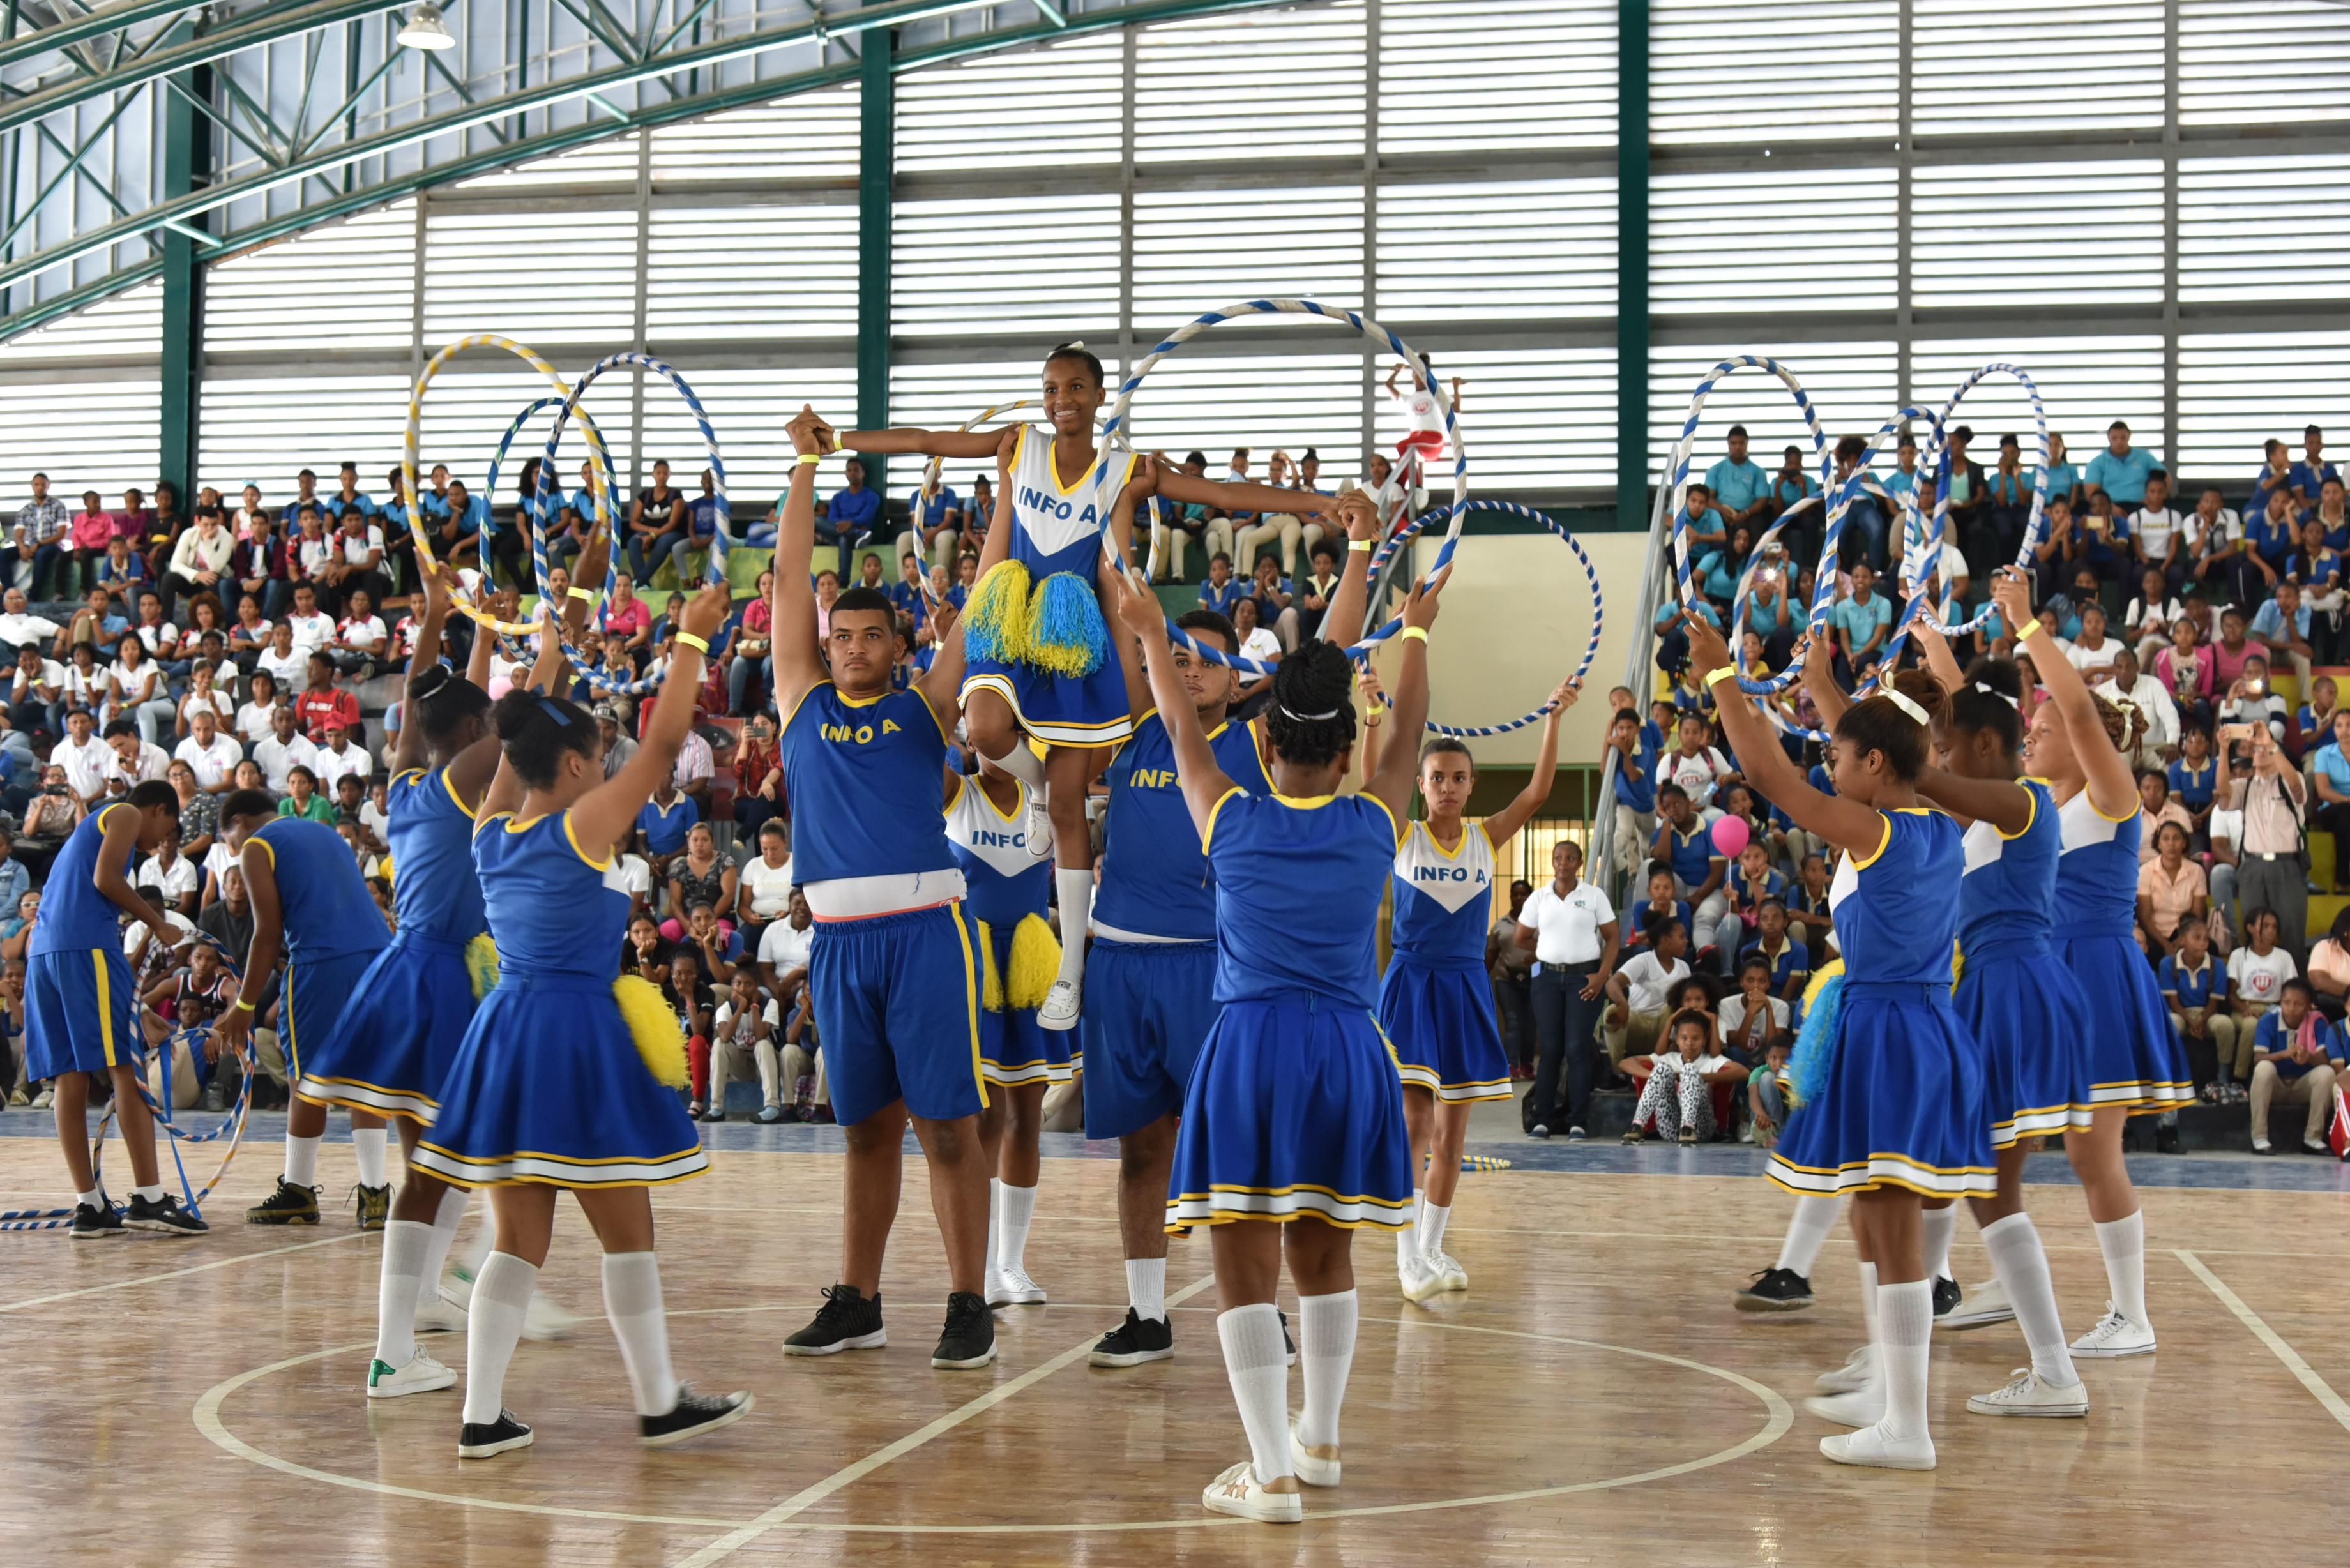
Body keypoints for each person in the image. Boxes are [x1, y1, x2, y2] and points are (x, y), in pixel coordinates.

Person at [837, 345, 1347, 1032]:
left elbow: (1224, 497)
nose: (1061, 398)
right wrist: (837, 440)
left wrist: (1318, 503)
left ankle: (1070, 973)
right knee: (982, 727)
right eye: (1051, 388)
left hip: (1079, 634)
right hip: (1016, 620)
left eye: (1075, 386)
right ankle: (1036, 789)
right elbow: (927, 440)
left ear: (1100, 394)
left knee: (1073, 809)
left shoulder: (1124, 471)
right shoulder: (1018, 444)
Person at [1102, 546, 1437, 1525]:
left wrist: (1149, 627)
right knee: (1326, 1257)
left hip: (1249, 1050)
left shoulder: (1231, 816)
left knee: (1242, 1269)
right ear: (1346, 755)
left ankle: (1273, 1474)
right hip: (1348, 1050)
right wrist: (1412, 632)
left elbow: (1175, 718)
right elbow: (1409, 731)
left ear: (1266, 745)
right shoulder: (1377, 821)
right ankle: (1321, 1442)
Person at [404, 569, 751, 1459]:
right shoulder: (581, 827)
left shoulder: (491, 831)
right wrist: (693, 638)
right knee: (626, 1228)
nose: (606, 771)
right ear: (572, 769)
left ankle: (483, 1417)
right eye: (595, 759)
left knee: (519, 1236)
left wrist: (550, 653)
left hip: (506, 1037)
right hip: (575, 1039)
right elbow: (667, 740)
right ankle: (659, 1399)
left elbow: (527, 740)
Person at [1684, 607, 1990, 1474]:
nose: (1831, 762)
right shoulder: (1937, 818)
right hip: (1924, 1027)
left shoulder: (1877, 830)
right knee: (1874, 1224)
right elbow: (1860, 738)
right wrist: (1819, 679)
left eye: (1842, 757)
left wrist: (1721, 676)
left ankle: (1906, 1426)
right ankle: (1892, 1404)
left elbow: (1771, 777)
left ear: (1878, 767)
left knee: (1888, 1231)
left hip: (1888, 1031)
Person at [331, 555, 601, 1400]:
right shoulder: (460, 775)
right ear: (472, 737)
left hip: (410, 973)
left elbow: (428, 704)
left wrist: (459, 618)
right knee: (450, 1166)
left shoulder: (408, 776)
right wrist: (554, 629)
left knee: (440, 1167)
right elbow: (516, 722)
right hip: (442, 981)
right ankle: (412, 1332)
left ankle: (426, 1313)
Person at [765, 405, 999, 1371]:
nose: (855, 648)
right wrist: (805, 472)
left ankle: (967, 1302)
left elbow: (985, 602)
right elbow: (785, 582)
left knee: (948, 1127)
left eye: (872, 637)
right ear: (827, 640)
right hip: (841, 946)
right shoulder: (799, 699)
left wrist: (1019, 509)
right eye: (843, 635)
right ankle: (858, 1299)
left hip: (925, 936)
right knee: (864, 1130)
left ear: (896, 647)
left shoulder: (925, 705)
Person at [1832, 624, 2093, 1416]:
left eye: (1948, 746)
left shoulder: (2020, 802)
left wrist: (1888, 723)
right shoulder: (1978, 810)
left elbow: (1916, 775)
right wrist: (1902, 696)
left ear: (1985, 744)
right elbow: (1916, 760)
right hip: (1991, 990)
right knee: (1946, 1188)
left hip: (2012, 993)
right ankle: (1894, 1359)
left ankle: (2045, 1371)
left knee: (1975, 1190)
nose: (1938, 759)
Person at [1992, 568, 2192, 1362]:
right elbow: (1974, 741)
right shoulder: (2039, 801)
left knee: (2087, 1152)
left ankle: (2130, 1314)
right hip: (2051, 971)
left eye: (2039, 729)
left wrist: (2025, 623)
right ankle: (1986, 1277)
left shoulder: (2109, 794)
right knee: (2022, 1144)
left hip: (2097, 972)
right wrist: (1939, 656)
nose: (2028, 737)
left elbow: (2073, 707)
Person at [1371, 675, 1578, 1300]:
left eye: (1457, 777)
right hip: (1411, 984)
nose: (1447, 786)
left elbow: (1538, 791)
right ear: (1420, 783)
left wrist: (1553, 717)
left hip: (1463, 987)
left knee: (1452, 1133)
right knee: (1413, 1124)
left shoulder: (1487, 837)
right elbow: (1367, 783)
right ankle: (1406, 1255)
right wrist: (1373, 718)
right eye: (1436, 776)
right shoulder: (1402, 834)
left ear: (1469, 785)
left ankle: (1433, 1245)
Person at [24, 781, 208, 1236]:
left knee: (71, 1077)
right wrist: (158, 923)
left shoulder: (86, 832)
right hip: (85, 950)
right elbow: (105, 880)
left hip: (44, 954)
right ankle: (148, 1198)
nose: (160, 842)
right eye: (166, 830)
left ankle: (90, 1206)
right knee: (127, 1068)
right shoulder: (125, 813)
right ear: (159, 809)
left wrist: (136, 1008)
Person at [208, 781, 394, 1229]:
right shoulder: (325, 831)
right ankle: (375, 1195)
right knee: (367, 1078)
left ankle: (298, 1190)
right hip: (381, 957)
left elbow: (267, 933)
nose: (232, 851)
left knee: (305, 1081)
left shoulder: (257, 846)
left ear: (238, 824)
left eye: (227, 842)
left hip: (323, 963)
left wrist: (246, 1004)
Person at [943, 751, 1065, 1308]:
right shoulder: (957, 793)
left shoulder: (1049, 794)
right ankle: (984, 1269)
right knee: (985, 1119)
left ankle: (1012, 1264)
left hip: (1033, 963)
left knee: (1027, 1118)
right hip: (976, 967)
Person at [1623, 1007, 1748, 1143]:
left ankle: (1688, 1127)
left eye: (1696, 1038)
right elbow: (1626, 1063)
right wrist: (1657, 1077)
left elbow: (1744, 1072)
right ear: (1677, 1040)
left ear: (1705, 1040)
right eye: (1684, 1038)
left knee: (1690, 1069)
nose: (1689, 1043)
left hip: (1701, 1127)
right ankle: (1637, 1124)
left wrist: (1697, 1077)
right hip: (1670, 1128)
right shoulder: (1669, 1058)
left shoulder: (1712, 1061)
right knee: (1662, 1069)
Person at [2247, 978, 2342, 1156]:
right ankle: (2259, 1138)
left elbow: (2324, 1061)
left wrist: (2309, 1057)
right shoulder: (2268, 1021)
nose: (2291, 1008)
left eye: (2299, 1004)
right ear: (2280, 1002)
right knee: (2264, 1067)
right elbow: (2258, 1058)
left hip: (2302, 1086)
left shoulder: (2318, 1023)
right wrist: (2284, 1054)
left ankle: (2312, 1138)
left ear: (2310, 1006)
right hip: (2276, 1086)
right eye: (2286, 1002)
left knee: (2326, 1073)